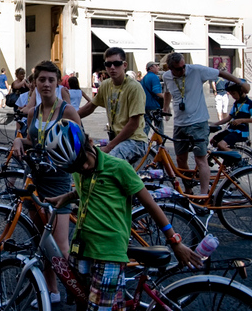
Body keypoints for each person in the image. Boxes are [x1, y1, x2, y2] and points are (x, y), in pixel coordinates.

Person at [46, 120, 201, 311]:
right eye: (77, 168)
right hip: (83, 248)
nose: (84, 168)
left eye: (84, 161)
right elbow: (88, 190)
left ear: (90, 142)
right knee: (83, 302)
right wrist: (68, 197)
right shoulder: (78, 169)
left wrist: (175, 241)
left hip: (109, 253)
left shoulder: (119, 168)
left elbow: (150, 205)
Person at [11, 60, 81, 306]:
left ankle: (78, 288)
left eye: (51, 80)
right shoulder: (33, 112)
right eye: (42, 80)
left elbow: (81, 149)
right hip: (36, 180)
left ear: (58, 83)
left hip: (59, 182)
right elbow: (32, 140)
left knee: (60, 245)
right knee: (44, 243)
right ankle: (53, 292)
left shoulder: (67, 111)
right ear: (35, 83)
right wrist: (20, 141)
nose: (47, 84)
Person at [162, 52, 250, 195]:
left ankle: (204, 194)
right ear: (170, 68)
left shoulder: (196, 70)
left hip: (198, 123)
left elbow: (221, 73)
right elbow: (167, 92)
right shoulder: (167, 77)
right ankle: (189, 188)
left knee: (200, 159)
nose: (183, 70)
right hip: (179, 124)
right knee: (180, 159)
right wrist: (165, 108)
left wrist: (240, 83)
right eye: (178, 69)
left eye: (183, 66)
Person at [78, 47, 148, 165]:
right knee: (88, 158)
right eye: (108, 64)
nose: (112, 67)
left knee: (108, 164)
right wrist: (66, 116)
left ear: (124, 65)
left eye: (116, 63)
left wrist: (110, 146)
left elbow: (134, 124)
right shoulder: (106, 85)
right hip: (117, 139)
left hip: (134, 140)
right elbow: (90, 107)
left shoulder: (134, 88)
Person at [210, 81, 252, 152]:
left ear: (241, 91)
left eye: (234, 93)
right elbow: (228, 118)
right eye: (231, 94)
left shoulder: (250, 104)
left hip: (240, 132)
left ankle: (237, 159)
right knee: (213, 141)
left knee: (221, 145)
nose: (233, 96)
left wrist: (241, 120)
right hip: (231, 130)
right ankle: (227, 159)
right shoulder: (236, 103)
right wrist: (214, 124)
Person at [141, 61, 164, 137]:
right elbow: (156, 92)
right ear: (151, 68)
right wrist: (166, 97)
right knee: (159, 128)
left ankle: (143, 144)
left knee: (146, 126)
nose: (158, 67)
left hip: (145, 105)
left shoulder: (144, 78)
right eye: (156, 65)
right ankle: (160, 145)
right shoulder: (154, 77)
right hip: (154, 106)